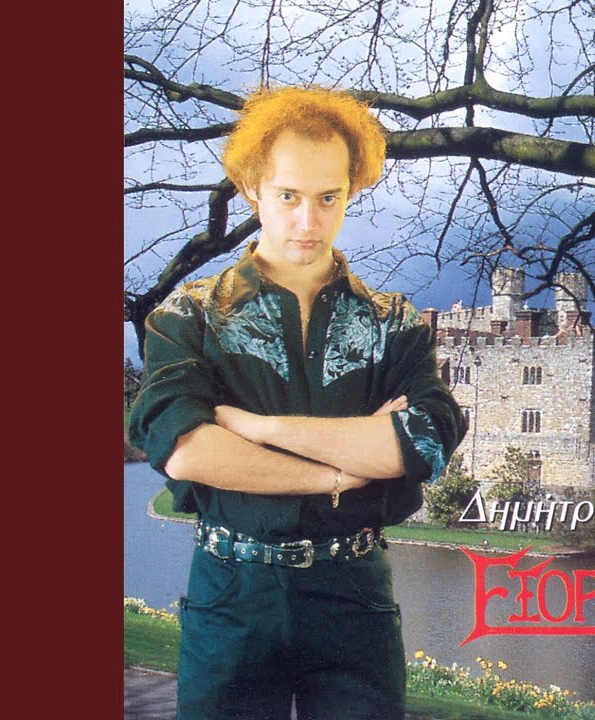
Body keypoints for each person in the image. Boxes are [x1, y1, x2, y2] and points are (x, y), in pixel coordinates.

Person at [128, 86, 464, 720]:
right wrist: (341, 473)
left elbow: (424, 439)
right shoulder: (189, 316)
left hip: (354, 599)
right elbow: (185, 448)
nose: (308, 222)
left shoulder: (393, 323)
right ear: (251, 188)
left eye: (328, 197)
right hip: (232, 595)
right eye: (288, 196)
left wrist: (260, 427)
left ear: (351, 191)